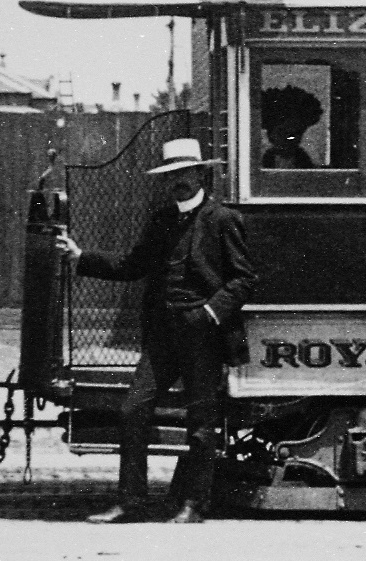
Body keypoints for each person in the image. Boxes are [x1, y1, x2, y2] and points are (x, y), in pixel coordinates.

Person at [52, 137, 261, 524]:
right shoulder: (162, 219)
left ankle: (193, 505)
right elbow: (133, 265)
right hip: (163, 335)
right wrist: (82, 258)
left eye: (186, 172)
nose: (179, 180)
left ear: (200, 173)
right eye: (172, 175)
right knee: (133, 410)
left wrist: (210, 313)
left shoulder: (222, 219)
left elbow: (244, 280)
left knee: (201, 424)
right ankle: (130, 501)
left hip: (204, 336)